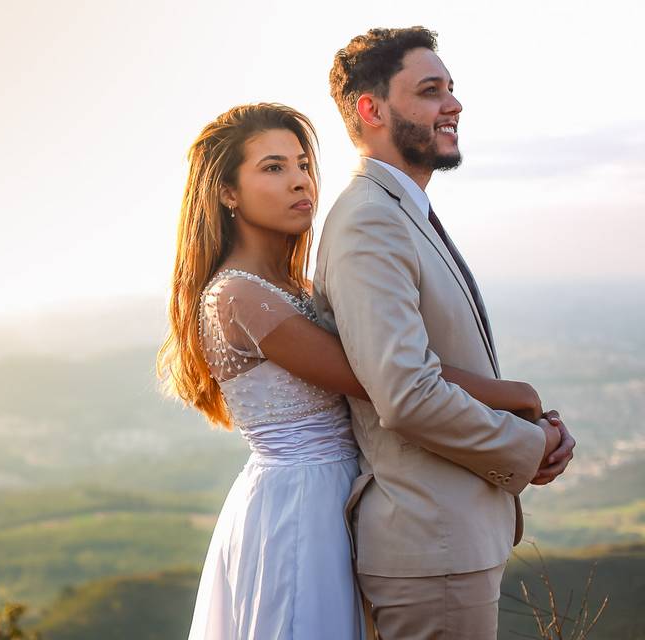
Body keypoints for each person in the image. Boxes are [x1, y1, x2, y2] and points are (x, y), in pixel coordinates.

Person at [157, 103, 558, 639]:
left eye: (302, 164)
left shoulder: (289, 289)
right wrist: (514, 395)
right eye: (273, 168)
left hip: (343, 496)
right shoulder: (239, 296)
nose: (300, 182)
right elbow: (380, 377)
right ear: (227, 193)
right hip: (300, 507)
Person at [315, 27, 576, 638]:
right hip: (428, 548)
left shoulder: (402, 211)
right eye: (430, 91)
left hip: (449, 545)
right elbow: (406, 394)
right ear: (371, 109)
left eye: (451, 89)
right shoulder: (369, 221)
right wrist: (525, 447)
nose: (453, 104)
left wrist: (528, 426)